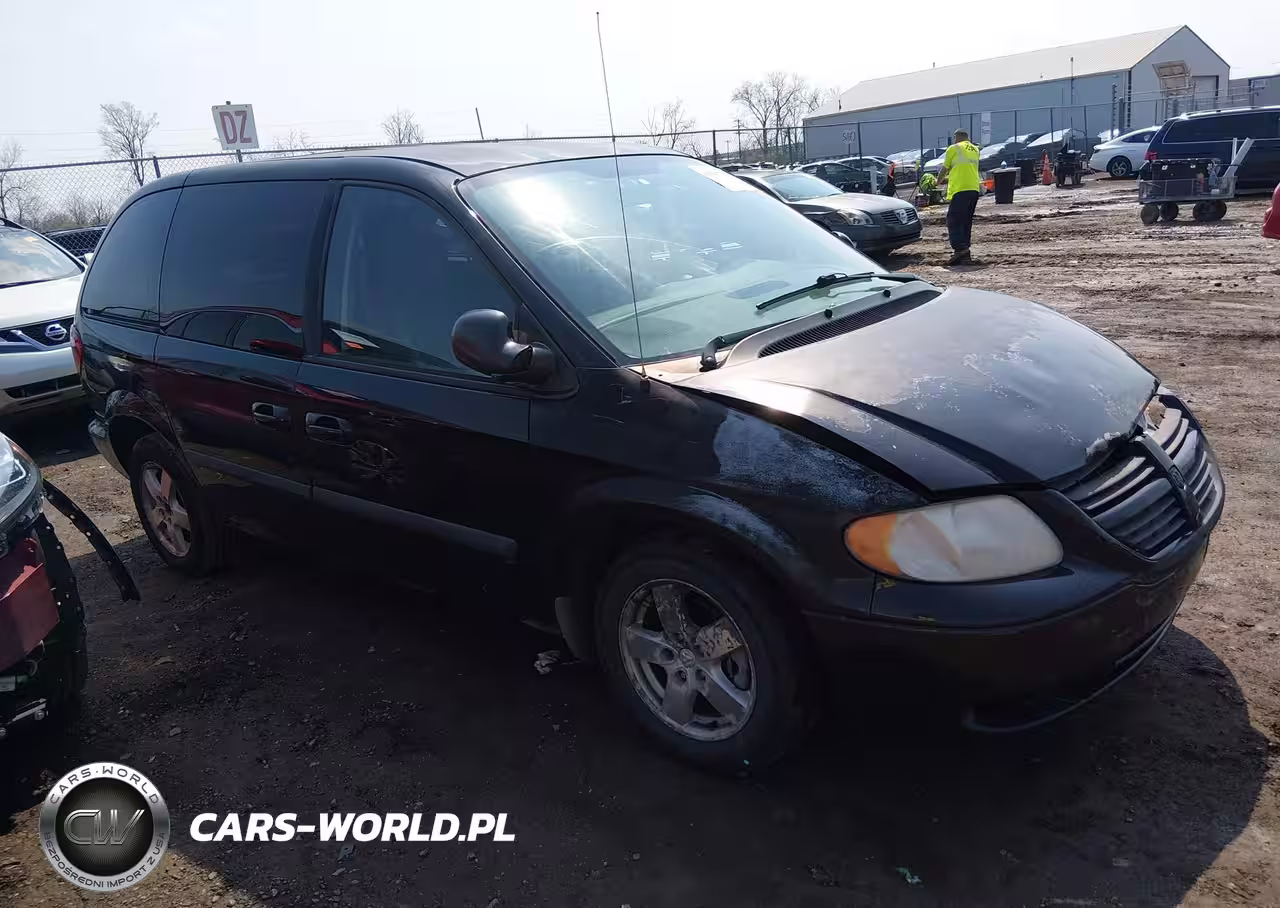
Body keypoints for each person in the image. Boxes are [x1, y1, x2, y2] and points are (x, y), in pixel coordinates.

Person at [937, 129, 981, 265]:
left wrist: (937, 181)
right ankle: (965, 250)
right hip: (973, 188)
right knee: (966, 221)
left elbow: (945, 168)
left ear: (957, 137)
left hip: (960, 189)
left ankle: (959, 248)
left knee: (954, 220)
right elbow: (963, 168)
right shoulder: (975, 149)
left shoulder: (953, 148)